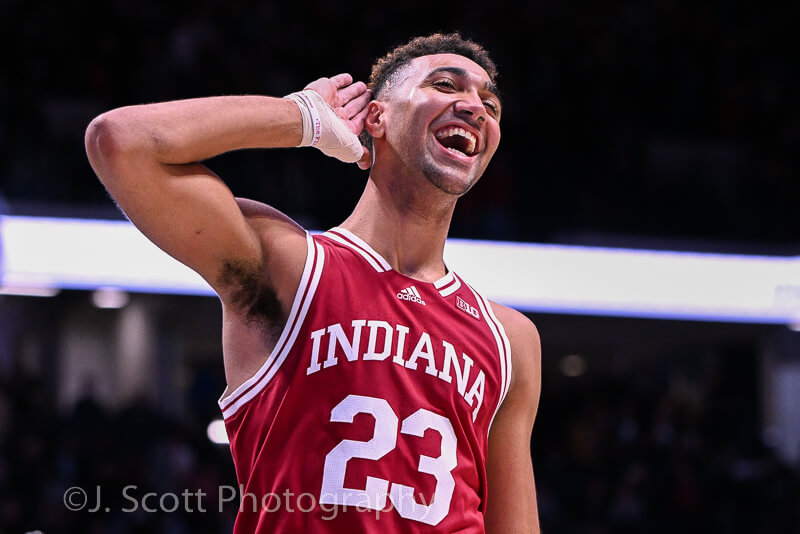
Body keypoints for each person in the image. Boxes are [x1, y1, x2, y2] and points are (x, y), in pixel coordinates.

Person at [86, 33, 541, 533]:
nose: (475, 107)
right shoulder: (289, 264)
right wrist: (299, 117)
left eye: (490, 103)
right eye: (445, 84)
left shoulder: (511, 338)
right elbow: (120, 142)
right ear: (376, 118)